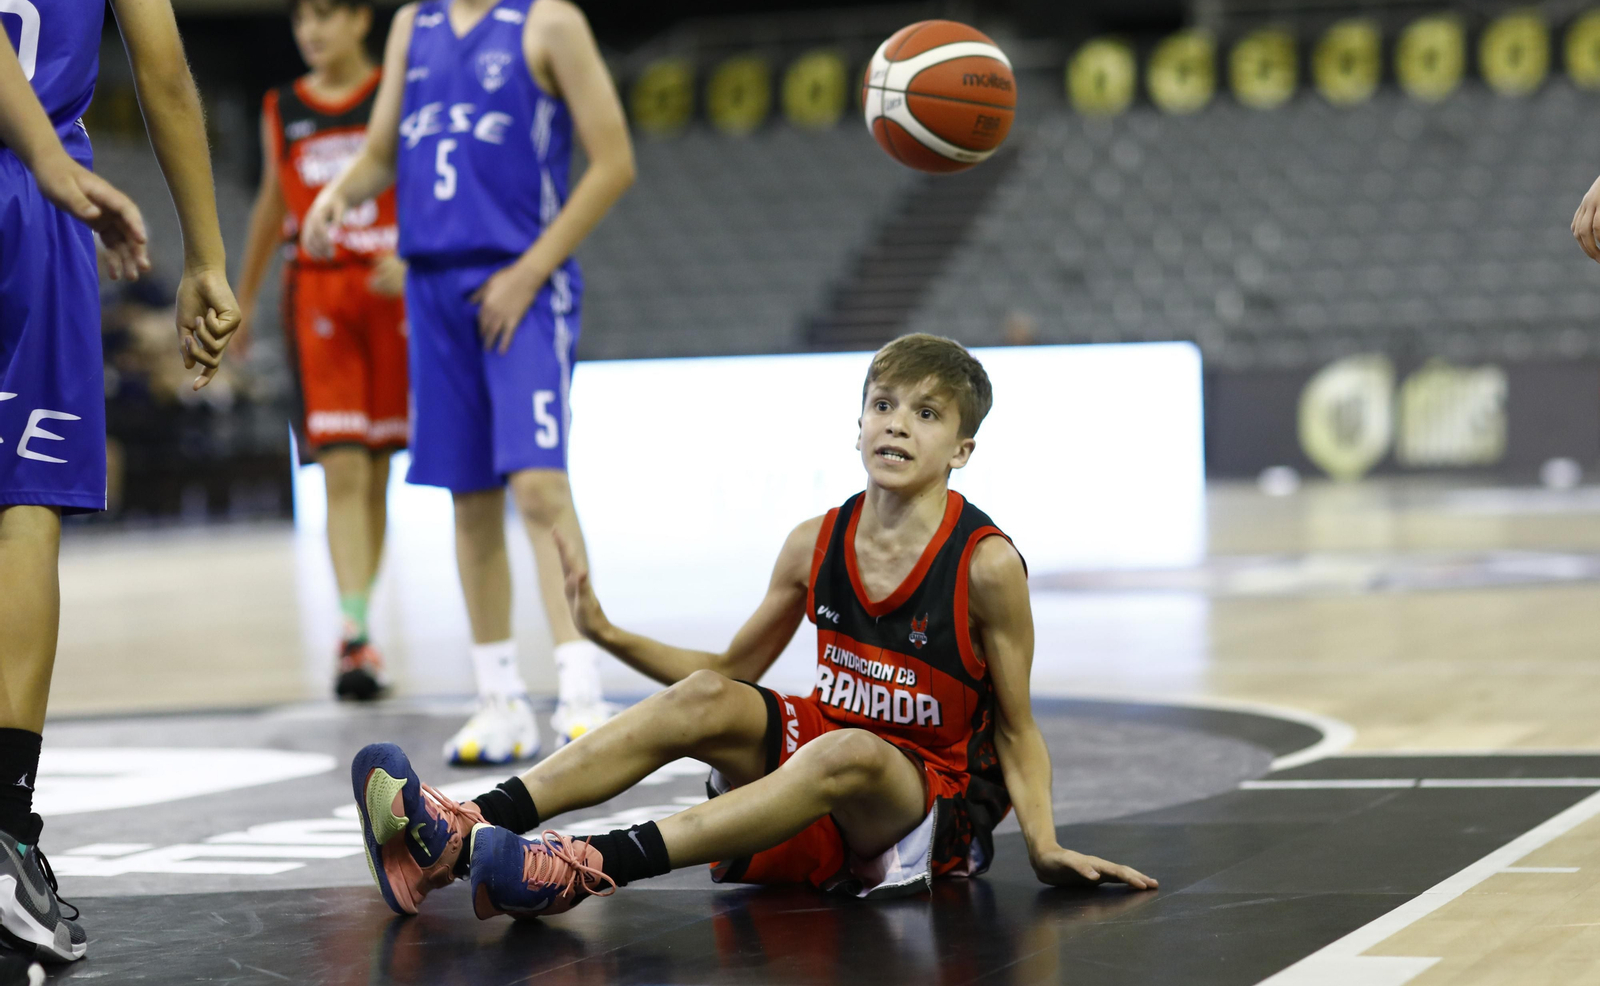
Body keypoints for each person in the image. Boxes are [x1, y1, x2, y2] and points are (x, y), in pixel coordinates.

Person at [348, 335, 1157, 920]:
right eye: (883, 405)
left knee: (843, 749)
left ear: (964, 448)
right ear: (857, 425)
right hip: (833, 752)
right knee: (709, 696)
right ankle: (455, 836)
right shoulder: (816, 541)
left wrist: (1046, 845)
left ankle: (584, 867)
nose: (898, 424)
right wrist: (605, 632)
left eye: (927, 413)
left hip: (929, 807)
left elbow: (1016, 729)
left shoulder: (985, 566)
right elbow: (732, 670)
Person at [303, 0, 636, 763]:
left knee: (536, 486)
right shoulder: (413, 27)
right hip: (432, 286)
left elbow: (613, 162)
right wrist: (339, 193)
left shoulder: (550, 23)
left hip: (517, 280)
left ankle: (581, 686)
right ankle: (499, 701)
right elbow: (382, 152)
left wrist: (531, 270)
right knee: (468, 496)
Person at [0, 0, 239, 961]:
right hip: (28, 201)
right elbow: (165, 72)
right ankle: (4, 837)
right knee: (23, 515)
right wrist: (207, 256)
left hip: (40, 189)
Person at [235, 0, 406, 700]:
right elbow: (272, 206)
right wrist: (239, 295)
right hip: (319, 297)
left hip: (392, 292)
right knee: (341, 464)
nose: (310, 31)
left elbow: (430, 175)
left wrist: (419, 252)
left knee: (377, 472)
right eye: (301, 19)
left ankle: (360, 619)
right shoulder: (281, 106)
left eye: (325, 16)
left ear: (362, 20)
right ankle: (355, 633)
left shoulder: (390, 95)